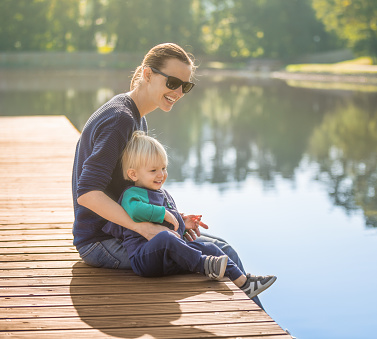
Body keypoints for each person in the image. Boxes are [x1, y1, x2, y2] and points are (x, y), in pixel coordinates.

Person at [71, 43, 267, 305]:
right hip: (102, 241)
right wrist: (145, 228)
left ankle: (258, 324)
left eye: (185, 86)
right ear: (148, 75)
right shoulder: (121, 119)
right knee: (220, 254)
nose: (178, 92)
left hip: (122, 231)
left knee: (222, 249)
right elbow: (88, 193)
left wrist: (172, 218)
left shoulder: (135, 117)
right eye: (173, 82)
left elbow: (134, 189)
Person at [102, 131, 276, 298]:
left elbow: (171, 226)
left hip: (168, 258)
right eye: (153, 170)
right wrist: (164, 214)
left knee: (212, 249)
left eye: (163, 168)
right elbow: (136, 211)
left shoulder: (163, 194)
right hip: (145, 258)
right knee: (165, 238)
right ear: (133, 174)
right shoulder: (132, 194)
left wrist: (183, 224)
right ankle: (205, 265)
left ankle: (244, 283)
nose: (161, 174)